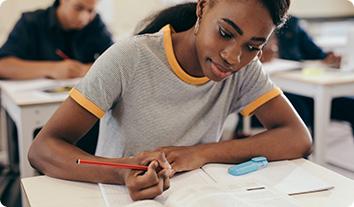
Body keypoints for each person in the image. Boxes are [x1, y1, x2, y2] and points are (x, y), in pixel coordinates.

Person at [28, 0, 312, 201]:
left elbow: (297, 137)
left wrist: (201, 153)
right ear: (202, 7)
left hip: (194, 196)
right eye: (225, 33)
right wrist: (120, 172)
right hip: (116, 197)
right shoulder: (130, 58)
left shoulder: (246, 70)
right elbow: (42, 149)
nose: (234, 57)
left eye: (253, 47)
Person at [0, 0, 113, 80]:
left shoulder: (95, 24)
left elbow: (116, 61)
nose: (83, 18)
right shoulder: (30, 22)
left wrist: (84, 70)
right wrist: (52, 69)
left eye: (90, 10)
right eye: (78, 8)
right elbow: (3, 65)